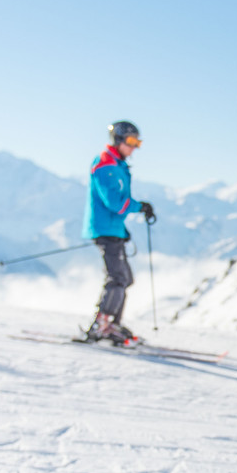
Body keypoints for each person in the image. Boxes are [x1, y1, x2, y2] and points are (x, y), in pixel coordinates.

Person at [82, 120, 155, 347]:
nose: (135, 147)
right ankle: (102, 324)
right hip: (104, 229)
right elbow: (115, 203)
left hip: (112, 229)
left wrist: (122, 230)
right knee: (118, 278)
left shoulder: (117, 165)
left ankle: (111, 323)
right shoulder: (106, 164)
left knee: (125, 278)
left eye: (138, 142)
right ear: (119, 139)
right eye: (132, 141)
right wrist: (139, 206)